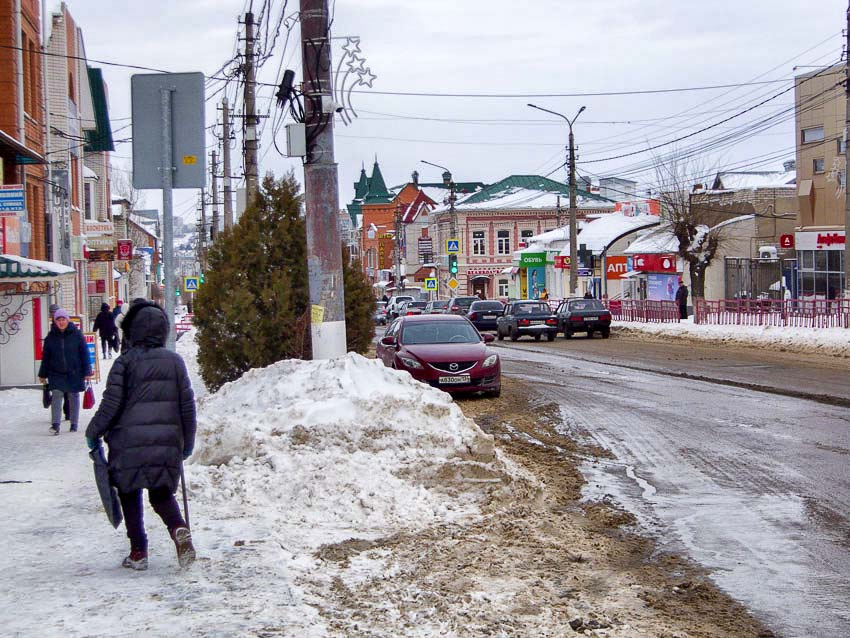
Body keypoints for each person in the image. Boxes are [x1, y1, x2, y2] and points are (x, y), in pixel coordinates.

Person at [85, 301, 197, 571]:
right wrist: (187, 442)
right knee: (161, 494)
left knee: (129, 492)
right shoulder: (175, 362)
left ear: (132, 330)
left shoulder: (125, 362)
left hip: (127, 444)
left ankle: (138, 552)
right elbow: (187, 406)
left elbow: (111, 404)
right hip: (166, 443)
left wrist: (93, 432)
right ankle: (178, 528)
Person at [38, 308, 92, 435]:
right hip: (56, 372)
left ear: (68, 320)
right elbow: (46, 357)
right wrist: (42, 374)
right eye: (58, 320)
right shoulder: (50, 337)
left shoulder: (77, 335)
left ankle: (74, 423)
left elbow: (84, 354)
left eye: (63, 319)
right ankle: (55, 425)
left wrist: (88, 371)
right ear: (55, 322)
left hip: (74, 371)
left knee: (73, 396)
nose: (61, 322)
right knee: (57, 395)